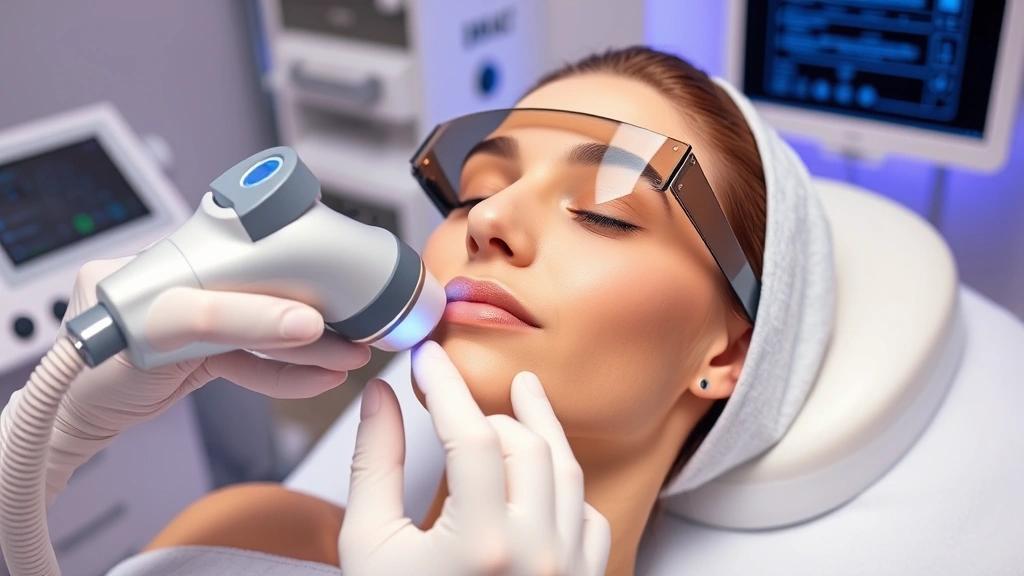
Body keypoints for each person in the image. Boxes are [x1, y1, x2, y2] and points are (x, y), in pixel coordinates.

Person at [22, 46, 834, 575]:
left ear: (725, 356)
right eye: (477, 188)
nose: (486, 219)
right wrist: (43, 448)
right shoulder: (240, 532)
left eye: (605, 210)